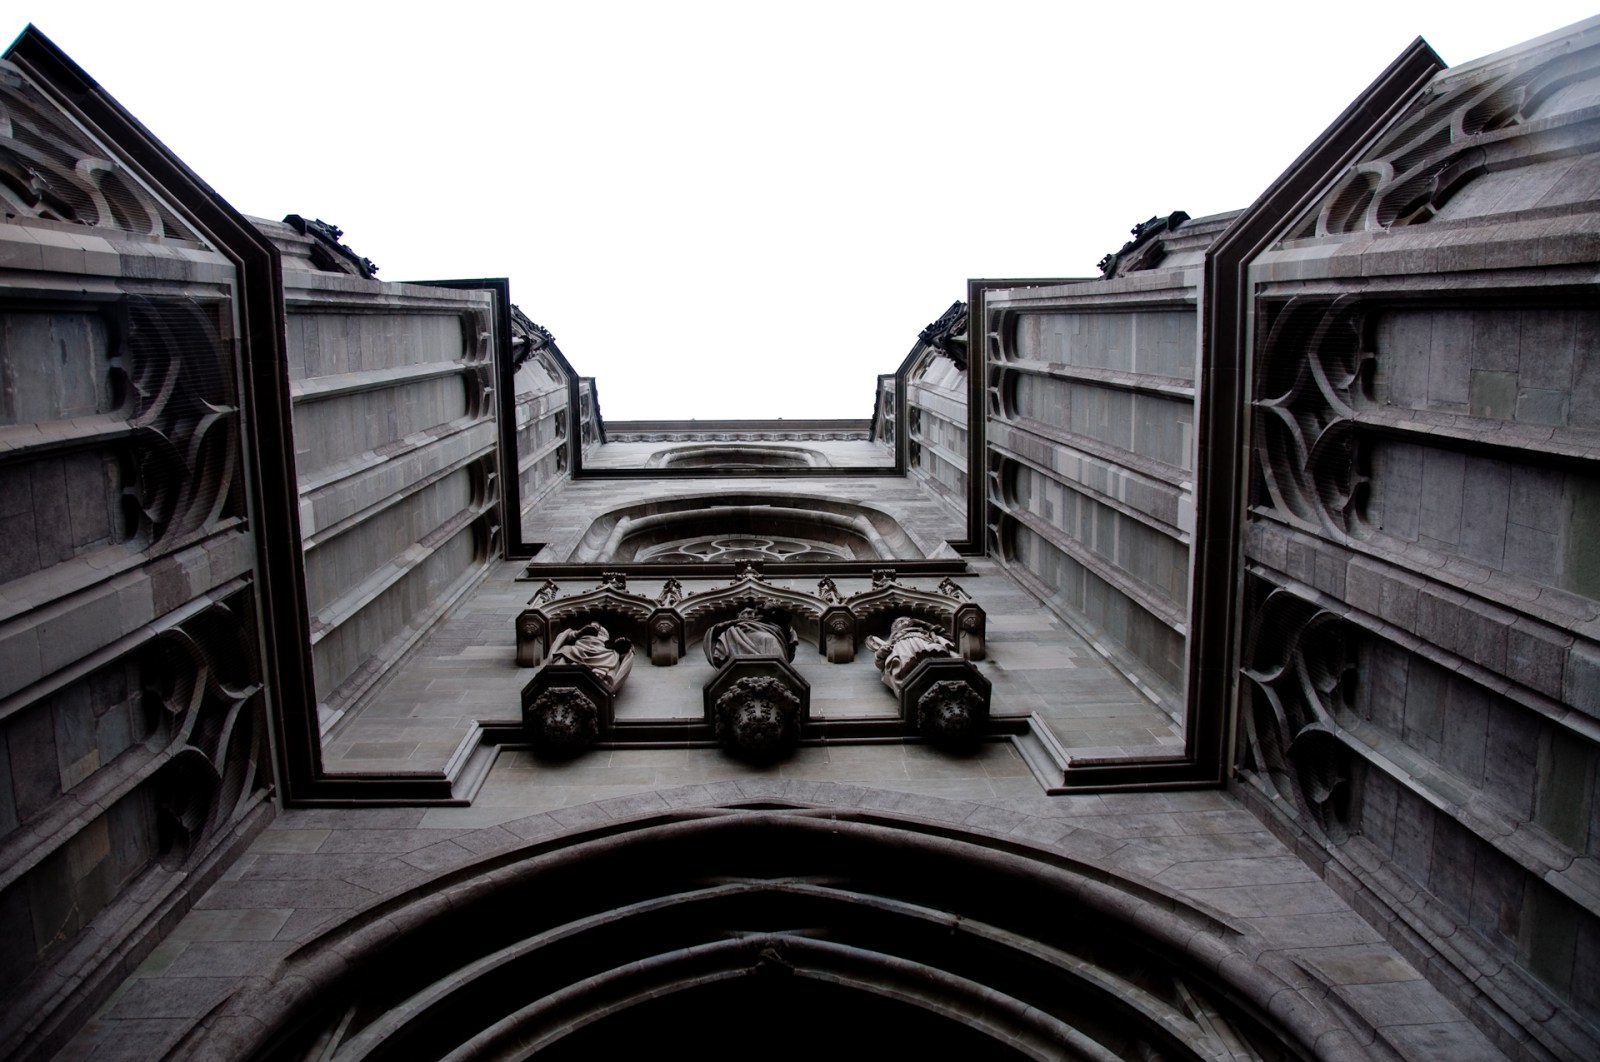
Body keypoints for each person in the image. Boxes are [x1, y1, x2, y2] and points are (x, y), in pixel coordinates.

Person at [866, 616, 955, 694]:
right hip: (904, 649)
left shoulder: (925, 632)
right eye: (900, 622)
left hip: (924, 644)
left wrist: (924, 624)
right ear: (895, 628)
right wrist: (881, 653)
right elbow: (880, 663)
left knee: (935, 653)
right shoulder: (892, 642)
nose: (905, 622)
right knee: (908, 662)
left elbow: (947, 636)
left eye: (907, 620)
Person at [548, 623, 634, 690]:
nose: (596, 627)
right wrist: (581, 631)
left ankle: (597, 676)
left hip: (600, 652)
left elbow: (624, 652)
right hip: (577, 649)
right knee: (565, 650)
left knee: (611, 656)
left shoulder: (607, 645)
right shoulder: (582, 633)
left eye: (599, 628)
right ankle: (562, 672)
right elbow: (568, 636)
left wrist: (620, 644)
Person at [703, 607, 797, 667]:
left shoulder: (765, 622)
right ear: (739, 615)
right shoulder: (733, 627)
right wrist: (738, 622)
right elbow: (716, 629)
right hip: (740, 637)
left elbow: (785, 626)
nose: (750, 615)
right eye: (747, 612)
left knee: (770, 639)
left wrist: (770, 609)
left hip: (767, 637)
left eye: (752, 613)